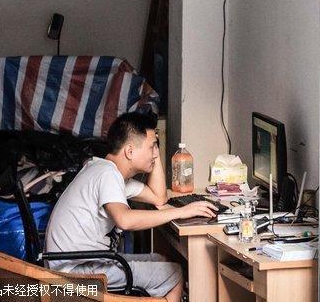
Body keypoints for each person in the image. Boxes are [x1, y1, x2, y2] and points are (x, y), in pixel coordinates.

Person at [44, 112, 217, 301]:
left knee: (165, 261)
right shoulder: (107, 175)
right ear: (129, 151)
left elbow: (158, 197)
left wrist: (155, 153)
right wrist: (182, 211)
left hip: (78, 264)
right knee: (174, 274)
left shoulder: (107, 171)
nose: (155, 152)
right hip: (78, 272)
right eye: (151, 147)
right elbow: (124, 220)